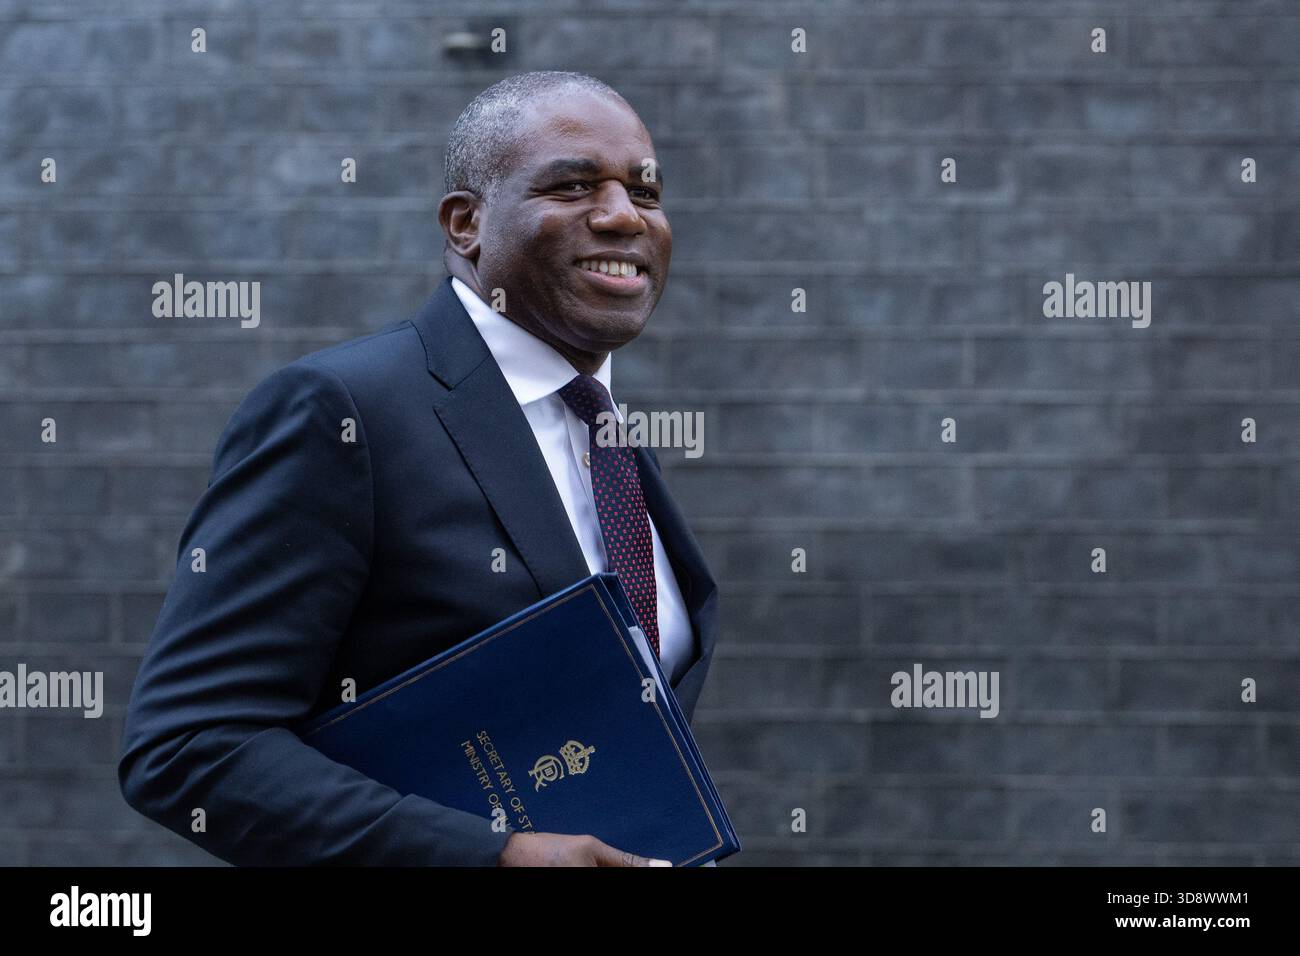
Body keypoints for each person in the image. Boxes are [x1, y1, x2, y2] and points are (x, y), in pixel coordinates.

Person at [118, 71, 719, 867]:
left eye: (645, 193)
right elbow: (187, 747)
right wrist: (489, 859)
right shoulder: (342, 413)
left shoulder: (601, 429)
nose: (620, 215)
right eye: (573, 186)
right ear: (466, 223)